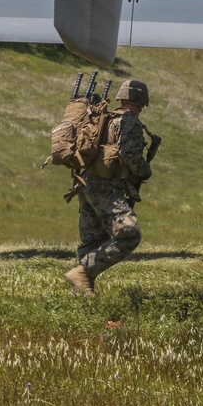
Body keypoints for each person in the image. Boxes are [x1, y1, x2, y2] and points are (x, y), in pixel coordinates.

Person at [64, 79, 154, 296]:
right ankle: (82, 272)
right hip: (105, 188)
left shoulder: (105, 118)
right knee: (128, 234)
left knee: (92, 240)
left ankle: (80, 297)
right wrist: (144, 171)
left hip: (85, 183)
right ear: (142, 102)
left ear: (122, 97)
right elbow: (130, 156)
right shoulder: (129, 122)